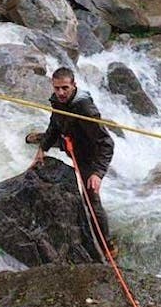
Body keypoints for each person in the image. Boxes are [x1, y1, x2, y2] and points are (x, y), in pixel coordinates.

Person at [30, 67, 115, 255]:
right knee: (45, 139)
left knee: (91, 199)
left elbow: (107, 144)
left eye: (65, 88)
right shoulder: (57, 100)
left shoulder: (85, 109)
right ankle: (39, 139)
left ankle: (108, 247)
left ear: (74, 85)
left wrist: (97, 173)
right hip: (71, 141)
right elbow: (55, 124)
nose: (60, 92)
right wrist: (42, 149)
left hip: (88, 155)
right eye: (57, 88)